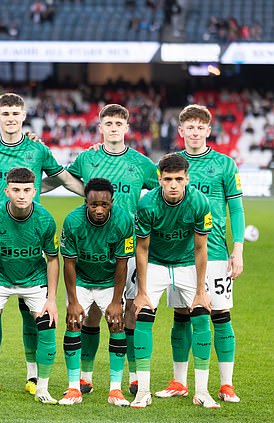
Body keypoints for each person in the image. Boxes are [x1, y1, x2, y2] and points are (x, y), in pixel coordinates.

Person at [0, 92, 82, 396]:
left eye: (15, 113)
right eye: (4, 113)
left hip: (30, 234)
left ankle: (33, 376)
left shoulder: (38, 150)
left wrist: (93, 195)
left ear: (24, 116)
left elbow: (62, 179)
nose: (10, 118)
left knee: (29, 313)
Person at [43, 103, 159, 396]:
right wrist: (30, 183)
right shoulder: (87, 158)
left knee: (128, 313)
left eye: (119, 123)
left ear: (127, 128)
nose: (114, 128)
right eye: (108, 123)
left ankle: (134, 377)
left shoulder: (142, 163)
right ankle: (85, 377)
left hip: (127, 249)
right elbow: (63, 179)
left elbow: (161, 189)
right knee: (91, 315)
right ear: (100, 127)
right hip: (92, 244)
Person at [156, 104, 244, 403]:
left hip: (216, 251)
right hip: (180, 254)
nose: (195, 132)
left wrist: (238, 249)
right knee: (182, 315)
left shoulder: (225, 164)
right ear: (181, 132)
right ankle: (179, 381)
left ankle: (226, 384)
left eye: (200, 127)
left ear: (208, 130)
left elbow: (236, 209)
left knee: (220, 313)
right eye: (189, 127)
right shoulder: (170, 165)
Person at [131, 153, 218, 409]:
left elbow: (201, 248)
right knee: (143, 315)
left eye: (178, 179)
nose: (172, 184)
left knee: (202, 316)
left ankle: (201, 391)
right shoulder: (147, 205)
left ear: (187, 179)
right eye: (167, 179)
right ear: (159, 180)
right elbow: (142, 250)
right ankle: (143, 391)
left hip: (186, 263)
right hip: (156, 262)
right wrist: (142, 291)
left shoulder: (199, 202)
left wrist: (201, 290)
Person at [0, 167, 59, 405]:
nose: (21, 195)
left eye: (26, 190)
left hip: (34, 278)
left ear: (34, 191)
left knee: (47, 325)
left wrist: (51, 300)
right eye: (16, 190)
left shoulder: (45, 219)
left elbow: (53, 259)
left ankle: (42, 388)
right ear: (7, 191)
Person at [59, 178, 135, 407]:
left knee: (117, 323)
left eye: (105, 204)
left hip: (110, 281)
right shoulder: (73, 221)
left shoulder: (124, 221)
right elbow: (69, 263)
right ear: (86, 202)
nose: (99, 210)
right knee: (73, 322)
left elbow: (122, 264)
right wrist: (73, 301)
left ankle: (115, 390)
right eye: (94, 205)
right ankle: (74, 388)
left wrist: (115, 302)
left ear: (112, 201)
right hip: (81, 280)